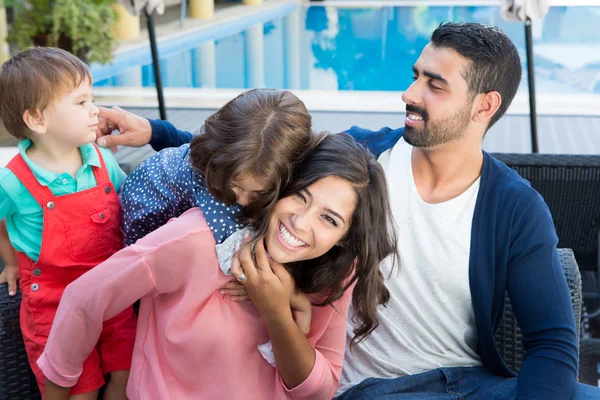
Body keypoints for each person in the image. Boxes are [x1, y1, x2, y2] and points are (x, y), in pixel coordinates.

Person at [94, 22, 600, 399]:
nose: (409, 93)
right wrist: (159, 134)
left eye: (435, 85)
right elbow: (263, 157)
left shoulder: (514, 206)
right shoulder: (359, 159)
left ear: (484, 106)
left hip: (471, 384)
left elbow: (553, 344)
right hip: (370, 389)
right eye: (416, 76)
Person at [37, 132, 397, 400]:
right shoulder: (195, 239)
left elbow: (318, 390)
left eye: (329, 219)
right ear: (279, 186)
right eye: (300, 196)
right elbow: (83, 298)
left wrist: (277, 313)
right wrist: (59, 386)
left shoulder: (335, 269)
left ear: (346, 236)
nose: (301, 224)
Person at [0, 47, 137, 399]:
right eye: (80, 103)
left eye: (91, 99)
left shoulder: (103, 161)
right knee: (79, 391)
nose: (95, 111)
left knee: (127, 375)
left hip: (111, 294)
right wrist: (12, 259)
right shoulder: (13, 181)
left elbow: (129, 206)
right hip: (54, 304)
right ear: (38, 120)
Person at [120, 88, 313, 248]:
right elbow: (235, 250)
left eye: (257, 193)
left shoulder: (224, 159)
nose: (242, 200)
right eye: (236, 186)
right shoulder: (208, 181)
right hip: (143, 222)